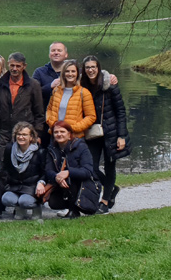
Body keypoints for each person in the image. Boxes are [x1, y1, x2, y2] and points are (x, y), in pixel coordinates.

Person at [80, 56, 130, 213]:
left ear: (98, 67)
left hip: (111, 133)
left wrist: (121, 136)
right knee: (91, 167)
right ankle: (111, 188)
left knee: (110, 166)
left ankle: (105, 200)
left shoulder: (110, 85)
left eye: (93, 66)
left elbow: (120, 111)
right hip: (92, 134)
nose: (90, 70)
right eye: (87, 67)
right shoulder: (82, 86)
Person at [0, 52, 46, 146]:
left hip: (26, 133)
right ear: (8, 64)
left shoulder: (33, 85)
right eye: (12, 65)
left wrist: (37, 134)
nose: (14, 69)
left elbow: (39, 113)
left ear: (24, 66)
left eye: (18, 66)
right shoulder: (1, 84)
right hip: (4, 132)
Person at [43, 120, 97, 218]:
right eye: (56, 132)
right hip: (60, 183)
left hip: (81, 184)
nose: (59, 134)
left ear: (69, 134)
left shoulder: (81, 147)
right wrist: (57, 177)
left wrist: (68, 172)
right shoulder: (52, 149)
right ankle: (70, 207)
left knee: (71, 180)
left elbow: (88, 171)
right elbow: (48, 170)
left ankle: (75, 209)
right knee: (53, 203)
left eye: (62, 132)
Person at [1, 122, 46, 220]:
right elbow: (5, 168)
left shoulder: (39, 151)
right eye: (19, 134)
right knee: (6, 199)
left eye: (24, 135)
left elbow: (44, 171)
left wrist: (41, 183)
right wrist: (6, 182)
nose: (21, 137)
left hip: (31, 186)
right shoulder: (9, 149)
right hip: (15, 185)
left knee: (25, 201)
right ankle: (20, 209)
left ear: (31, 137)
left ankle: (36, 209)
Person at [45, 59, 96, 139]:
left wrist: (72, 128)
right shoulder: (56, 90)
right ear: (63, 73)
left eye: (73, 71)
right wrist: (52, 124)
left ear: (77, 74)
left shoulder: (84, 92)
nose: (70, 74)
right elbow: (49, 109)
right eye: (67, 71)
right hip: (56, 135)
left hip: (74, 137)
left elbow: (91, 117)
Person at [33, 42, 68, 106]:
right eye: (53, 50)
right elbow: (33, 94)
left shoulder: (72, 72)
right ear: (49, 55)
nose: (56, 53)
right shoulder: (39, 72)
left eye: (59, 50)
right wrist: (50, 86)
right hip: (45, 112)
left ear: (66, 55)